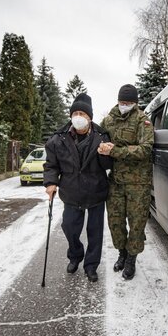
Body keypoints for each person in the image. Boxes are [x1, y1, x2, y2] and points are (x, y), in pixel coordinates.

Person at [44, 93, 112, 282]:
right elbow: (51, 165)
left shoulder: (102, 136)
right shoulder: (58, 139)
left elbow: (108, 166)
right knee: (70, 228)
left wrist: (105, 154)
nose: (79, 117)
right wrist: (50, 182)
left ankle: (91, 265)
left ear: (90, 117)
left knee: (95, 232)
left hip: (96, 191)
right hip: (71, 192)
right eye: (76, 113)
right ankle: (75, 255)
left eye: (83, 113)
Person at [98, 84, 154, 280]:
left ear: (135, 103)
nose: (125, 105)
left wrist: (115, 151)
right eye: (123, 102)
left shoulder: (142, 120)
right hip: (115, 181)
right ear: (118, 100)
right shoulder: (108, 120)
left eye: (129, 103)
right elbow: (98, 141)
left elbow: (145, 149)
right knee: (115, 222)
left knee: (137, 223)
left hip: (138, 183)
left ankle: (131, 259)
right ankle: (122, 253)